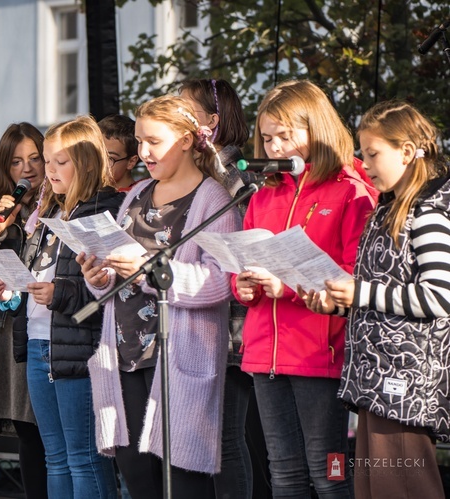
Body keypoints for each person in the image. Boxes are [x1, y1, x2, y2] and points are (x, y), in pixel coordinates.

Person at [79, 94, 241, 499]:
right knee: (139, 479)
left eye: (154, 141)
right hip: (125, 353)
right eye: (139, 141)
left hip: (178, 356)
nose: (143, 152)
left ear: (187, 140)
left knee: (183, 482)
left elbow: (222, 283)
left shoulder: (214, 199)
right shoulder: (136, 195)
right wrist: (97, 277)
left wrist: (149, 270)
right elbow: (115, 272)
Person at [231, 80, 377, 499]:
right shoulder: (264, 194)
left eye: (286, 136)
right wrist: (242, 284)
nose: (275, 147)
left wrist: (288, 286)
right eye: (268, 138)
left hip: (319, 353)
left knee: (328, 470)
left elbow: (354, 272)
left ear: (317, 129)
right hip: (264, 353)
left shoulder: (350, 190)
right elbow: (243, 260)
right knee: (284, 472)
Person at [298, 100, 450, 499]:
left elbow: (440, 297)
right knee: (374, 487)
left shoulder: (428, 214)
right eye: (362, 154)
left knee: (403, 487)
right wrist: (340, 303)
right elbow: (386, 290)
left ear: (407, 150)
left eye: (373, 153)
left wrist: (360, 292)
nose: (365, 164)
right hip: (374, 378)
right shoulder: (386, 211)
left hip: (405, 383)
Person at [0, 115, 123, 499]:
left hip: (78, 346)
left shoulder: (105, 209)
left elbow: (114, 290)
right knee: (55, 456)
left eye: (59, 161)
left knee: (84, 457)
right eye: (47, 161)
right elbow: (33, 278)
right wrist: (9, 290)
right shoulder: (50, 213)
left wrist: (60, 294)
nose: (48, 170)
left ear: (86, 161)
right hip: (37, 342)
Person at [179, 77, 259, 499]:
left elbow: (243, 250)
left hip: (231, 330)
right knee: (199, 440)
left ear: (212, 121)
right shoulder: (192, 172)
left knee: (226, 440)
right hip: (197, 323)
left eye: (185, 112)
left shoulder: (235, 176)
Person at [0, 122, 48, 498]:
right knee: (27, 433)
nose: (27, 169)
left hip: (45, 325)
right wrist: (1, 228)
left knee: (49, 432)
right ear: (5, 167)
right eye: (17, 162)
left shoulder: (58, 206)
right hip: (8, 331)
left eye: (35, 158)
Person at [97, 114, 140, 191]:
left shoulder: (139, 199)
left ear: (131, 162)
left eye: (110, 158)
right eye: (96, 154)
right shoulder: (86, 194)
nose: (100, 163)